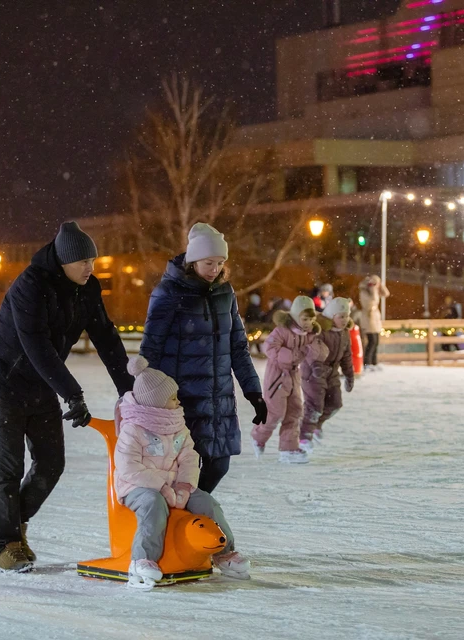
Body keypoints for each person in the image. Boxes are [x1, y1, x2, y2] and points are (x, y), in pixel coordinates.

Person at [0, 221, 135, 572]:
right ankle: (7, 546)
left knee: (51, 463)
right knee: (8, 466)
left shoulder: (88, 289)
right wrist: (73, 394)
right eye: (82, 262)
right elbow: (37, 346)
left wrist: (129, 390)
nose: (89, 268)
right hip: (5, 382)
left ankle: (13, 522)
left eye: (92, 260)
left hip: (42, 383)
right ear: (63, 261)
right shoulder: (29, 287)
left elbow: (106, 338)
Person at [140, 223, 265, 493]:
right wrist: (139, 395)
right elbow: (150, 348)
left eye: (221, 263)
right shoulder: (168, 293)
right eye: (209, 262)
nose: (215, 269)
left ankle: (191, 516)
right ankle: (181, 523)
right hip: (180, 399)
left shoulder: (225, 293)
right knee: (180, 469)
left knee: (219, 464)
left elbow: (238, 347)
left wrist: (253, 392)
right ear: (193, 260)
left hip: (218, 400)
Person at [116, 356, 250, 589]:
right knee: (153, 505)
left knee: (207, 503)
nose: (178, 402)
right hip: (138, 487)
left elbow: (189, 456)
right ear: (155, 402)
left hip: (177, 486)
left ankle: (224, 553)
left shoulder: (176, 423)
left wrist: (184, 485)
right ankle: (142, 560)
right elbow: (129, 468)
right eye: (172, 398)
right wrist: (163, 486)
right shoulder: (133, 429)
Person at [251, 296, 324, 464]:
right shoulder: (282, 331)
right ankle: (258, 436)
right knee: (275, 412)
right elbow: (269, 348)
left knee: (294, 411)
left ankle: (288, 449)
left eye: (312, 319)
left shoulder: (310, 334)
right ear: (296, 316)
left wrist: (315, 351)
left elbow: (319, 353)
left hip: (293, 376)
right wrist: (292, 356)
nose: (308, 323)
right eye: (305, 319)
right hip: (276, 376)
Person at [299, 297, 354, 451]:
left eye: (347, 316)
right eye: (341, 316)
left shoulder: (344, 333)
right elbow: (312, 350)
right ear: (332, 316)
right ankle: (304, 436)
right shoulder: (320, 330)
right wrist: (316, 367)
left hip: (332, 372)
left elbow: (347, 356)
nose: (344, 320)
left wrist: (349, 375)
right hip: (313, 373)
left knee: (335, 404)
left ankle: (316, 424)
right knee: (314, 406)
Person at [359, 275, 389, 371]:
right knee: (371, 341)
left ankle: (374, 362)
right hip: (368, 317)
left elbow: (386, 294)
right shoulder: (364, 291)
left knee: (376, 341)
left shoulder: (375, 290)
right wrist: (373, 290)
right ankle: (367, 362)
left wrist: (380, 285)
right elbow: (370, 302)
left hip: (375, 318)